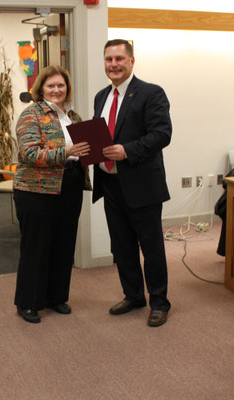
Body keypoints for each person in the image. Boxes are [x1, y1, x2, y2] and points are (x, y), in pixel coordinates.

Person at [93, 39, 172, 327]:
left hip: (142, 185)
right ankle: (134, 295)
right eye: (108, 59)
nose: (113, 64)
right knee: (122, 247)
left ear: (131, 61)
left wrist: (127, 150)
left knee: (151, 248)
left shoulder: (151, 93)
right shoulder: (101, 96)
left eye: (119, 59)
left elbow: (162, 134)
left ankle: (159, 302)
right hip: (110, 185)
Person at [13, 65, 91, 323]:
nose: (57, 90)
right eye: (51, 86)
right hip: (36, 190)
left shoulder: (73, 115)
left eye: (61, 85)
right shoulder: (31, 115)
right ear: (41, 89)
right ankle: (28, 302)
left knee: (64, 243)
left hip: (69, 184)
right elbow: (28, 154)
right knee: (36, 246)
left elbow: (83, 149)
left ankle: (56, 297)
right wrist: (66, 153)